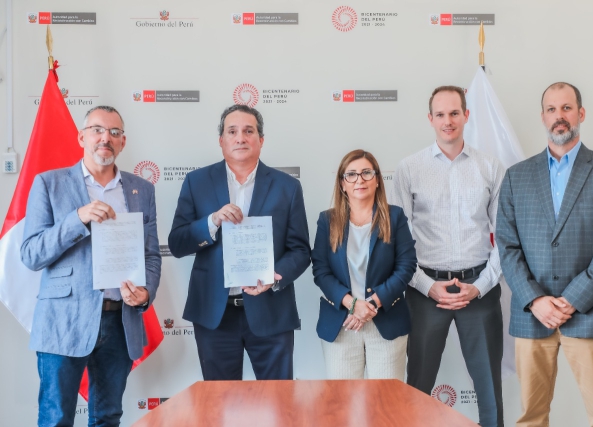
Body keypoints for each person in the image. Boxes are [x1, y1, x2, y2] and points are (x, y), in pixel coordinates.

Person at [496, 82, 593, 427]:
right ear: (543, 117)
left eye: (567, 108)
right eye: (552, 109)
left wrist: (572, 299)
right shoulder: (516, 177)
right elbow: (507, 247)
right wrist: (535, 300)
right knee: (531, 418)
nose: (560, 116)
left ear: (581, 113)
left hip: (591, 311)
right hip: (533, 315)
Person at [21, 106, 161, 426]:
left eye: (114, 132)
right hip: (64, 320)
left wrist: (145, 293)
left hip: (119, 321)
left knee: (108, 417)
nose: (105, 138)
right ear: (81, 137)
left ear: (123, 142)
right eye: (97, 130)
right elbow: (31, 254)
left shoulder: (142, 190)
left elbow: (151, 255)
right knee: (56, 418)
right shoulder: (49, 183)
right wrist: (77, 219)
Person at [168, 104, 311, 381]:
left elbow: (300, 250)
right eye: (232, 131)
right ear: (221, 140)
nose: (240, 138)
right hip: (214, 315)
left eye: (248, 131)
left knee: (277, 401)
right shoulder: (197, 182)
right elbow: (177, 243)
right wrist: (212, 221)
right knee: (220, 402)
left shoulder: (287, 187)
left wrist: (274, 277)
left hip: (271, 311)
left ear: (261, 140)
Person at [394, 86, 505, 427]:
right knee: (418, 386)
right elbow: (399, 239)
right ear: (430, 119)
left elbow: (505, 237)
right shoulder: (409, 168)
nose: (448, 121)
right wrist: (426, 286)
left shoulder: (490, 167)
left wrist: (481, 286)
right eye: (440, 114)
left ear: (466, 115)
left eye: (454, 113)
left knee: (489, 390)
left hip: (479, 289)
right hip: (425, 291)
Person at [311, 150, 416, 380]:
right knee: (344, 399)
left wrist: (372, 304)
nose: (359, 180)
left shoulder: (395, 217)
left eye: (366, 173)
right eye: (351, 174)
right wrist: (352, 305)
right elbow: (321, 271)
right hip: (342, 323)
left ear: (377, 180)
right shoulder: (327, 220)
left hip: (386, 321)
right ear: (342, 183)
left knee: (386, 399)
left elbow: (406, 267)